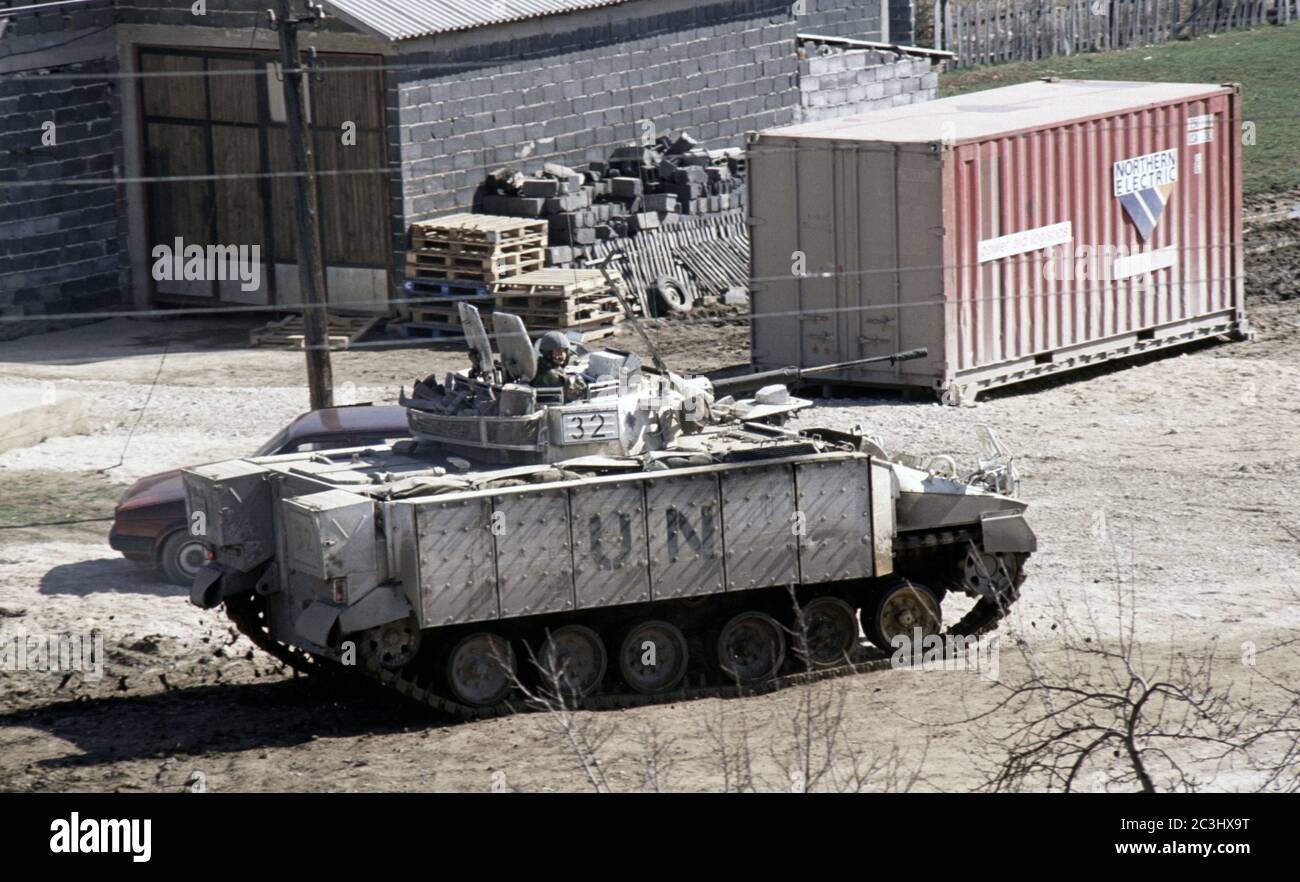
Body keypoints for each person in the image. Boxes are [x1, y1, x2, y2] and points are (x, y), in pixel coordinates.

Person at [532, 331, 587, 403]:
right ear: (548, 353)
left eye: (564, 350)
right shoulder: (551, 374)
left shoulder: (540, 365)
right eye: (557, 351)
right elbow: (572, 395)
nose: (562, 355)